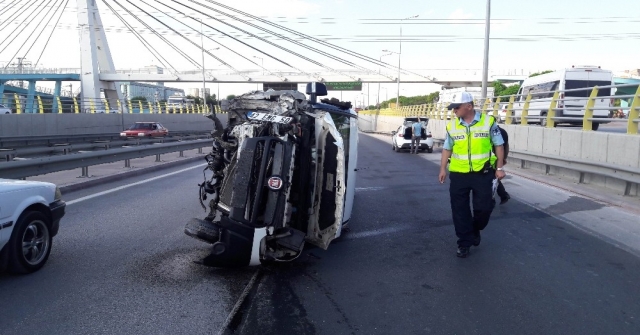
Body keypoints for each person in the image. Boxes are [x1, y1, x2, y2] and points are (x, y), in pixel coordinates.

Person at [438, 92, 506, 258]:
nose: (454, 111)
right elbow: (447, 148)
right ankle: (464, 242)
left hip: (482, 173)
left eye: (456, 107)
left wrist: (499, 168)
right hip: (458, 174)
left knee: (484, 208)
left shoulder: (488, 122)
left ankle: (475, 228)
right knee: (459, 210)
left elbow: (499, 145)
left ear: (469, 106)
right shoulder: (452, 126)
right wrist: (442, 169)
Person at [494, 126, 510, 205]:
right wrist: (504, 158)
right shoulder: (503, 131)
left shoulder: (489, 130)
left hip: (492, 157)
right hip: (499, 157)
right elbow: (506, 146)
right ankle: (503, 194)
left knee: (491, 177)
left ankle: (503, 195)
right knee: (493, 177)